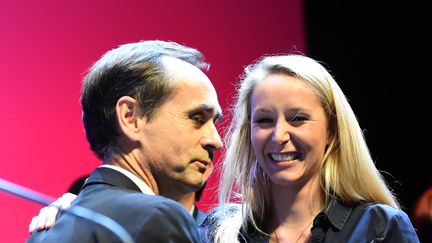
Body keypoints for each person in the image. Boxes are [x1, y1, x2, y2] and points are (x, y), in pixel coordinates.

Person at [201, 54, 419, 242]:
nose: (279, 136)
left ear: (331, 130)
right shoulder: (218, 233)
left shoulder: (379, 228)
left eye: (297, 118)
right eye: (265, 120)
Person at [26, 40, 223, 243]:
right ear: (131, 117)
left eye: (214, 122)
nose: (216, 141)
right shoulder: (157, 217)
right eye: (197, 118)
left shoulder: (47, 229)